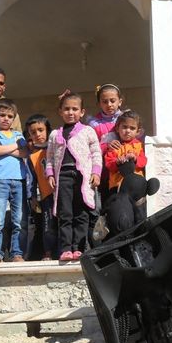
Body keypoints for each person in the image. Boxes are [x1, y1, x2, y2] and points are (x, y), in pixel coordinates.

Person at [45, 90, 102, 262]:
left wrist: (96, 172)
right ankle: (65, 249)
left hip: (82, 177)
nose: (71, 112)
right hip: (63, 176)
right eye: (67, 109)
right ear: (60, 111)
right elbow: (49, 157)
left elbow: (96, 153)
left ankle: (78, 247)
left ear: (82, 112)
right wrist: (50, 174)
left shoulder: (87, 131)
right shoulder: (55, 134)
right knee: (65, 213)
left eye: (75, 109)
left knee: (81, 213)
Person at [102, 110, 160, 236]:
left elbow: (143, 161)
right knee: (122, 216)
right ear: (118, 128)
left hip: (138, 191)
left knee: (140, 216)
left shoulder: (139, 146)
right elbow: (108, 164)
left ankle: (140, 236)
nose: (127, 131)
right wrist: (117, 162)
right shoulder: (114, 147)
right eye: (124, 127)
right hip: (118, 189)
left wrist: (135, 158)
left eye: (132, 128)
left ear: (138, 131)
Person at [0, 99, 28, 263]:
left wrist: (4, 148)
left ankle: (17, 253)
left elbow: (24, 152)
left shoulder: (19, 134)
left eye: (10, 116)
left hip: (19, 181)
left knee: (19, 220)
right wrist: (13, 147)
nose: (6, 119)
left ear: (14, 118)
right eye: (2, 115)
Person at [25, 114, 57, 261]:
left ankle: (65, 249)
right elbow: (32, 179)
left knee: (64, 222)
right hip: (46, 195)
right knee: (47, 225)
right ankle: (48, 252)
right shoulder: (32, 156)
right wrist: (32, 196)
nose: (37, 134)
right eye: (33, 132)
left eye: (40, 130)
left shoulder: (57, 147)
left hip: (62, 192)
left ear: (48, 130)